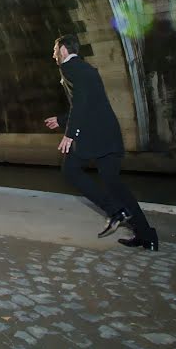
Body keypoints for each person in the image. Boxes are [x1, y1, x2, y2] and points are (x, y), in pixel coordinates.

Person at [45, 34, 159, 251]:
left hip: (93, 137)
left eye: (54, 50)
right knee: (115, 186)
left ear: (63, 50)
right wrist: (61, 120)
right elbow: (88, 102)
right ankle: (147, 235)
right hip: (108, 135)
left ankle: (115, 211)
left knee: (70, 170)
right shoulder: (85, 69)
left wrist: (70, 133)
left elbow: (80, 102)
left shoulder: (70, 69)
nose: (53, 55)